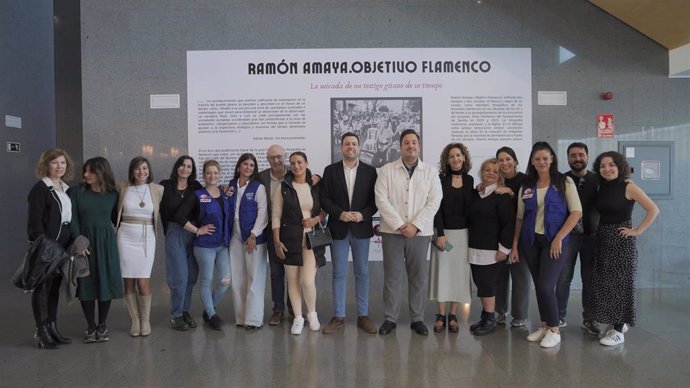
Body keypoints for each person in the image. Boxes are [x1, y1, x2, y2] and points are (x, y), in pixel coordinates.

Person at [510, 141, 582, 348]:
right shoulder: (527, 186)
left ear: (551, 159)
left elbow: (576, 212)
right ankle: (544, 325)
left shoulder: (564, 182)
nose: (541, 161)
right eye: (537, 158)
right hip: (531, 243)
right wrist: (515, 245)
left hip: (555, 242)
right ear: (532, 162)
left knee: (545, 286)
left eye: (545, 158)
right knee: (539, 286)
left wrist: (559, 237)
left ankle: (554, 329)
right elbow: (520, 218)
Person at [375, 129, 442, 336]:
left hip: (419, 234)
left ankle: (417, 319)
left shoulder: (430, 172)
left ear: (419, 146)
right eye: (406, 143)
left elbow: (434, 201)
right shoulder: (386, 170)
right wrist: (399, 225)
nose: (410, 146)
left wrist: (415, 225)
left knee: (417, 277)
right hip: (392, 233)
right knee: (392, 277)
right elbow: (381, 199)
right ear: (400, 146)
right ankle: (390, 318)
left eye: (414, 142)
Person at [590, 151, 658, 346]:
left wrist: (637, 230)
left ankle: (619, 329)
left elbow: (653, 209)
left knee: (622, 284)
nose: (607, 169)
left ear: (619, 166)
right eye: (603, 166)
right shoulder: (602, 186)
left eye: (611, 165)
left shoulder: (628, 186)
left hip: (621, 241)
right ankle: (616, 323)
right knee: (607, 284)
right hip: (603, 238)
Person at [319, 132, 378, 334]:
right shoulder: (330, 171)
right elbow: (324, 199)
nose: (350, 147)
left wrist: (363, 215)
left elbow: (375, 201)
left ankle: (363, 315)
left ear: (359, 147)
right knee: (339, 273)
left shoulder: (370, 172)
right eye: (347, 144)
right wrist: (340, 213)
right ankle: (338, 316)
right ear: (341, 147)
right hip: (339, 229)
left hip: (361, 229)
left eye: (354, 144)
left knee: (362, 273)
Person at [68, 157, 122, 343]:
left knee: (105, 281)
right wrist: (79, 243)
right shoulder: (76, 192)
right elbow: (72, 219)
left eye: (91, 171)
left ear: (102, 172)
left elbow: (117, 219)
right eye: (85, 171)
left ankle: (102, 325)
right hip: (85, 242)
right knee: (86, 283)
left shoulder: (113, 194)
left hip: (107, 242)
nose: (85, 175)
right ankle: (90, 326)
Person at [27, 149, 77, 349]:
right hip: (47, 247)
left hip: (62, 246)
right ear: (46, 165)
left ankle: (52, 328)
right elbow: (34, 222)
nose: (59, 166)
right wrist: (43, 247)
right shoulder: (40, 189)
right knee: (42, 289)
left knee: (54, 288)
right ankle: (42, 332)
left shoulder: (64, 188)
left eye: (63, 163)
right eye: (54, 163)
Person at [272, 151, 326, 335]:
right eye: (293, 163)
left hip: (312, 240)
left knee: (307, 280)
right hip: (289, 239)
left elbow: (325, 209)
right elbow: (276, 216)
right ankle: (298, 317)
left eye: (299, 162)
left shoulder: (316, 184)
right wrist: (277, 241)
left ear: (306, 162)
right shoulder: (284, 186)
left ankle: (312, 314)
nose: (296, 166)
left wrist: (316, 219)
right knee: (292, 281)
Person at [174, 160, 232, 331]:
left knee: (225, 280)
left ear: (219, 174)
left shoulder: (224, 194)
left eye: (215, 173)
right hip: (205, 246)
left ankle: (209, 309)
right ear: (203, 175)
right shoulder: (198, 195)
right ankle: (212, 316)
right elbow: (179, 216)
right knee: (206, 280)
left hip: (223, 245)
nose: (212, 176)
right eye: (208, 173)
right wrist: (198, 230)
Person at [555, 143, 601, 335]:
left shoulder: (598, 179)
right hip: (568, 237)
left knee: (589, 279)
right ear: (567, 158)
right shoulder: (561, 180)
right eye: (573, 155)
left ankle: (589, 319)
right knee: (563, 278)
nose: (577, 158)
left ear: (587, 157)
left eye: (581, 155)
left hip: (592, 236)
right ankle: (558, 316)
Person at [116, 157, 163, 337]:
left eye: (144, 168)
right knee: (128, 280)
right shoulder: (122, 187)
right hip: (125, 236)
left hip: (147, 238)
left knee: (143, 281)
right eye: (137, 169)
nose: (141, 172)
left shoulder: (158, 189)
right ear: (132, 171)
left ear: (149, 170)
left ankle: (145, 320)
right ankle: (135, 320)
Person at [429, 143, 473, 334]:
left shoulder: (470, 181)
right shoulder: (439, 179)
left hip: (463, 235)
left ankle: (453, 314)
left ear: (464, 158)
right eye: (451, 156)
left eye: (459, 155)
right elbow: (436, 208)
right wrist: (440, 233)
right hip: (443, 234)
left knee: (458, 275)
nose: (455, 159)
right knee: (443, 274)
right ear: (447, 160)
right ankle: (440, 314)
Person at [467, 158, 515, 336]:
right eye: (487, 170)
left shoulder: (503, 196)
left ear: (500, 176)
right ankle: (485, 316)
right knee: (480, 283)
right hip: (475, 248)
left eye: (495, 171)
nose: (491, 173)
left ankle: (491, 320)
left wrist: (504, 249)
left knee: (487, 285)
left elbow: (508, 224)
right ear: (481, 172)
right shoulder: (477, 193)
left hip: (493, 251)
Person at [159, 156, 202, 331]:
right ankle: (176, 314)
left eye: (189, 166)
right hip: (175, 231)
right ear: (177, 167)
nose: (185, 169)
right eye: (182, 165)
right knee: (179, 277)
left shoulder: (195, 187)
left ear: (192, 170)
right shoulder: (165, 186)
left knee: (191, 276)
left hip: (193, 233)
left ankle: (185, 310)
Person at [228, 153, 268, 330]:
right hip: (234, 235)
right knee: (237, 277)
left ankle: (253, 319)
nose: (248, 168)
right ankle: (240, 317)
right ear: (239, 166)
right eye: (245, 164)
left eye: (252, 165)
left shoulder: (258, 187)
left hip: (253, 237)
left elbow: (263, 213)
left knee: (254, 277)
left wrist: (253, 235)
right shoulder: (231, 186)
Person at [494, 146, 530, 327]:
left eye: (508, 159)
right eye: (501, 160)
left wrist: (512, 193)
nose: (505, 163)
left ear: (515, 161)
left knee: (520, 277)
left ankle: (520, 315)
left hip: (521, 237)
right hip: (499, 237)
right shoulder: (496, 181)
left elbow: (529, 205)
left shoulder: (526, 180)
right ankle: (500, 311)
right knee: (499, 277)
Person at [257, 145, 293, 325]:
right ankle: (278, 310)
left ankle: (294, 309)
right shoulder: (261, 177)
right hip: (272, 230)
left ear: (284, 156)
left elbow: (313, 181)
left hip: (293, 230)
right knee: (276, 271)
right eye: (272, 157)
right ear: (267, 159)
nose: (276, 160)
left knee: (293, 271)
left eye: (279, 156)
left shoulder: (295, 172)